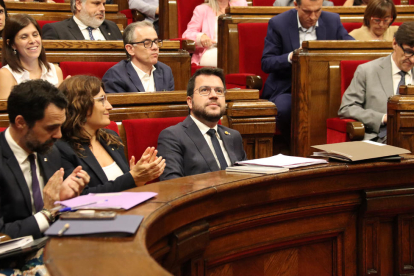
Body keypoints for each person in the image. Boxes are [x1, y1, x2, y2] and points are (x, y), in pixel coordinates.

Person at [0, 79, 90, 239]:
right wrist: (48, 213)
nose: (59, 135)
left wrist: (63, 201)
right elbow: (2, 233)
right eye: (51, 128)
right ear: (20, 122)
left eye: (60, 126)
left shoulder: (50, 151)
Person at [261, 0, 354, 143]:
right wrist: (291, 57)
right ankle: (294, 147)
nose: (313, 17)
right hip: (289, 87)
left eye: (317, 10)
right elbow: (267, 63)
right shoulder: (278, 23)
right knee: (285, 109)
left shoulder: (332, 20)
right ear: (295, 5)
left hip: (326, 87)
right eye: (307, 12)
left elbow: (352, 48)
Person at [56, 75, 166, 193]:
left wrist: (139, 180)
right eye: (102, 100)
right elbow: (78, 196)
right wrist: (132, 177)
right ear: (81, 104)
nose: (110, 107)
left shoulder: (111, 138)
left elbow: (124, 187)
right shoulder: (61, 148)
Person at [157, 68, 247, 181]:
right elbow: (171, 186)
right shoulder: (172, 136)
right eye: (204, 90)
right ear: (190, 101)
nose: (214, 95)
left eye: (219, 91)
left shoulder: (234, 136)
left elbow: (246, 178)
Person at [339, 22, 414, 142]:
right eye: (408, 52)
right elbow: (347, 108)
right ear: (394, 43)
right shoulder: (367, 71)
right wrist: (382, 118)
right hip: (380, 138)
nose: (412, 60)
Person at [0, 14, 64, 100]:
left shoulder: (55, 71)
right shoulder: (6, 74)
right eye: (24, 37)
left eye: (35, 35)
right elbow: (6, 112)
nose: (32, 41)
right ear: (12, 44)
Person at [102, 21, 174, 93]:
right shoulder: (116, 76)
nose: (155, 47)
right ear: (130, 49)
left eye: (156, 42)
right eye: (147, 43)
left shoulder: (165, 71)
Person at [182, 0, 248, 67]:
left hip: (234, 50)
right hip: (212, 50)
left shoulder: (239, 6)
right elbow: (187, 34)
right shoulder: (202, 9)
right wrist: (201, 37)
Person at [42, 0, 123, 40]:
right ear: (79, 4)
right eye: (96, 3)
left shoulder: (112, 27)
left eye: (104, 4)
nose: (103, 9)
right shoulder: (56, 31)